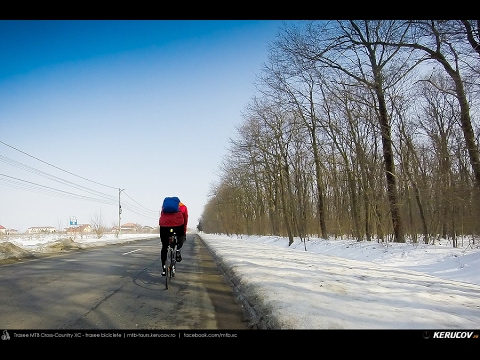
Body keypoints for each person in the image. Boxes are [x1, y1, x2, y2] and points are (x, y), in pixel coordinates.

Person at [159, 197, 188, 276]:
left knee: (164, 246)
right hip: (178, 226)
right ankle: (178, 250)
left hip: (164, 226)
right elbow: (185, 220)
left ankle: (164, 268)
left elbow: (162, 217)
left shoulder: (164, 207)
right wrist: (184, 233)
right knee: (181, 236)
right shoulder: (183, 207)